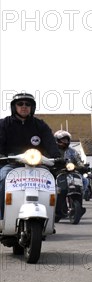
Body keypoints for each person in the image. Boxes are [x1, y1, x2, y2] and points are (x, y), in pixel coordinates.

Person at [0, 92, 61, 220]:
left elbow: (50, 142)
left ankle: (52, 216)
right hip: (11, 164)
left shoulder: (40, 125)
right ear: (14, 107)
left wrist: (57, 156)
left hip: (38, 165)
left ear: (32, 107)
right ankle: (2, 219)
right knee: (3, 178)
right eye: (20, 104)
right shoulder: (4, 124)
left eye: (28, 104)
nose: (24, 106)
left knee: (52, 181)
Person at [54, 130, 87, 221]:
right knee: (61, 190)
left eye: (66, 140)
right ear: (57, 140)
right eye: (63, 140)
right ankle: (57, 210)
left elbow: (79, 161)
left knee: (80, 186)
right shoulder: (53, 151)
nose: (65, 142)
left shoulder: (73, 151)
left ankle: (79, 206)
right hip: (58, 172)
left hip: (72, 172)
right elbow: (49, 160)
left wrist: (82, 167)